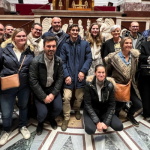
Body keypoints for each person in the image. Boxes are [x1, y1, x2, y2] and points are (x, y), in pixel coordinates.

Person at [0, 28, 34, 145]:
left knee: (24, 107)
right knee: (6, 111)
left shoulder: (30, 51)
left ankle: (23, 126)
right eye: (19, 36)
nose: (22, 38)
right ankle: (7, 129)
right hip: (8, 85)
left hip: (24, 85)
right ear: (13, 37)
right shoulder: (4, 49)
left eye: (24, 36)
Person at [60, 24, 92, 131]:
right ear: (69, 32)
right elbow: (62, 62)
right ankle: (66, 117)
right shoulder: (65, 45)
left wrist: (83, 71)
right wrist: (66, 75)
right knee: (66, 98)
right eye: (73, 30)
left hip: (80, 76)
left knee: (79, 97)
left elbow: (89, 59)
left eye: (77, 30)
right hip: (68, 76)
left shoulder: (85, 44)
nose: (75, 32)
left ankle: (77, 109)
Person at [29, 36, 63, 135]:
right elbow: (33, 81)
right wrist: (44, 97)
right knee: (42, 113)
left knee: (58, 108)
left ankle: (51, 118)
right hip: (40, 89)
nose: (51, 49)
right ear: (44, 47)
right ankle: (40, 122)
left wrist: (53, 94)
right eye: (48, 46)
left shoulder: (59, 61)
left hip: (52, 89)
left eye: (53, 46)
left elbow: (60, 78)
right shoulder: (36, 61)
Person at [105, 37, 142, 127]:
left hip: (130, 85)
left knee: (138, 104)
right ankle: (115, 115)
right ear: (122, 44)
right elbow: (108, 73)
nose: (129, 45)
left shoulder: (133, 57)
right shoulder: (113, 57)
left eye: (130, 43)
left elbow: (135, 71)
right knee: (119, 105)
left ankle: (130, 114)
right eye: (126, 43)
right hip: (118, 86)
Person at [83, 65, 123, 135]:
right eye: (99, 72)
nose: (101, 75)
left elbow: (112, 105)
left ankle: (102, 120)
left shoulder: (110, 85)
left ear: (105, 73)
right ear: (95, 73)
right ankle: (96, 120)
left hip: (104, 111)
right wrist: (97, 122)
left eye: (103, 72)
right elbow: (87, 105)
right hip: (91, 110)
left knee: (119, 126)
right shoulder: (88, 85)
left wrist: (106, 122)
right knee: (90, 130)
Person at [139, 40, 150, 118]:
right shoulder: (144, 44)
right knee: (146, 94)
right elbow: (140, 57)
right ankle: (146, 112)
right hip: (146, 74)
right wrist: (149, 58)